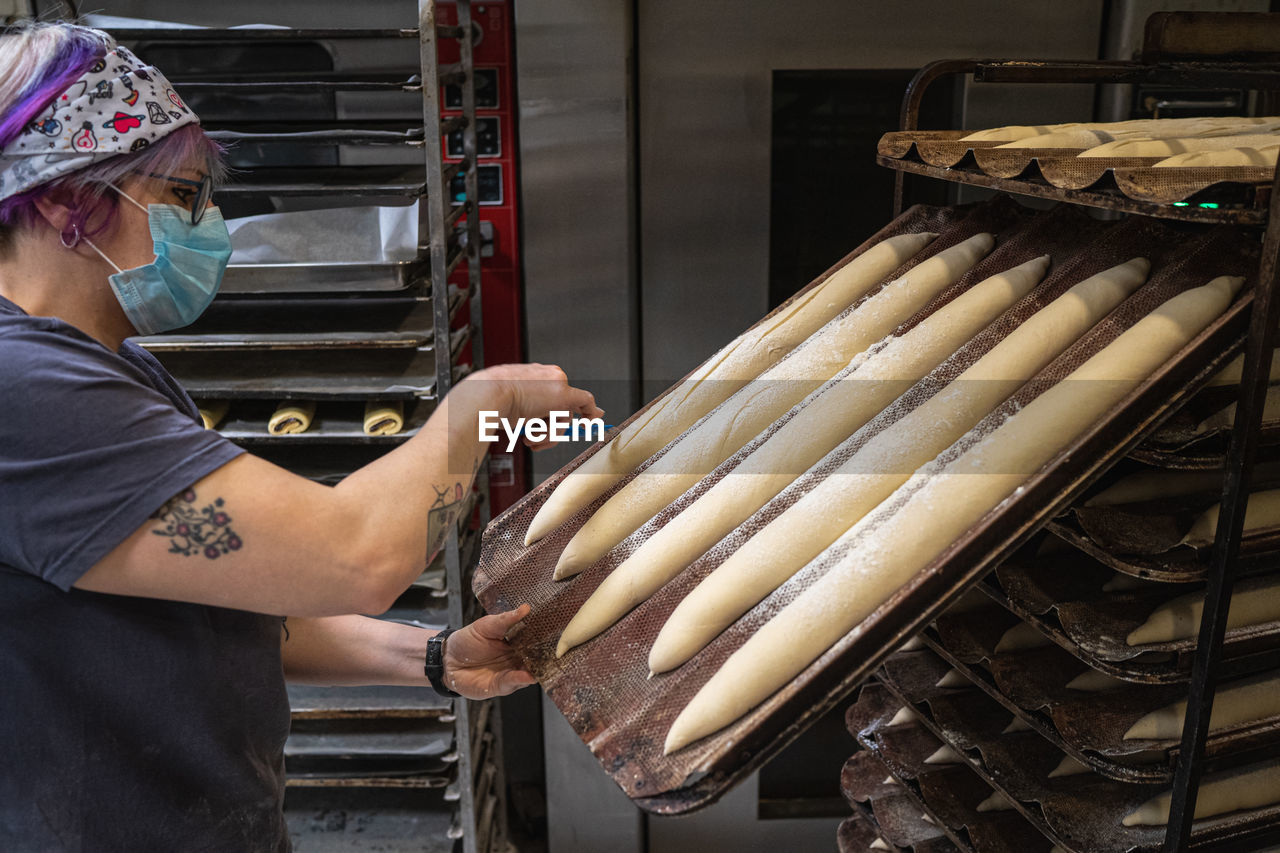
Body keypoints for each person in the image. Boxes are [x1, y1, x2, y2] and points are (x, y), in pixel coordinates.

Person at [0, 21, 600, 851]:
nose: (209, 226)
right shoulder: (21, 388)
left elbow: (228, 596)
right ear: (69, 200)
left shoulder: (109, 368)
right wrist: (477, 409)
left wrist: (432, 658)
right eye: (180, 196)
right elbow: (353, 556)